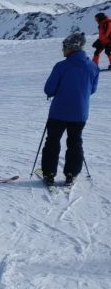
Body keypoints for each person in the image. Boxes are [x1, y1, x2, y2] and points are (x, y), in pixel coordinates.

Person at [41, 32, 99, 186]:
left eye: (64, 47)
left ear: (71, 48)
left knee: (52, 142)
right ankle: (71, 174)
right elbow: (92, 89)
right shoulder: (93, 66)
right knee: (75, 142)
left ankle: (49, 174)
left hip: (58, 113)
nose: (62, 50)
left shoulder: (61, 66)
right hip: (80, 113)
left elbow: (49, 89)